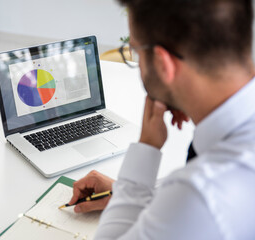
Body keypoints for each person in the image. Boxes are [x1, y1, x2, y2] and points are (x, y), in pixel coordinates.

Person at [68, 0, 255, 239]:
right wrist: (137, 194)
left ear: (162, 63)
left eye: (135, 51)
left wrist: (145, 151)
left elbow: (195, 205)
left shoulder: (201, 195)